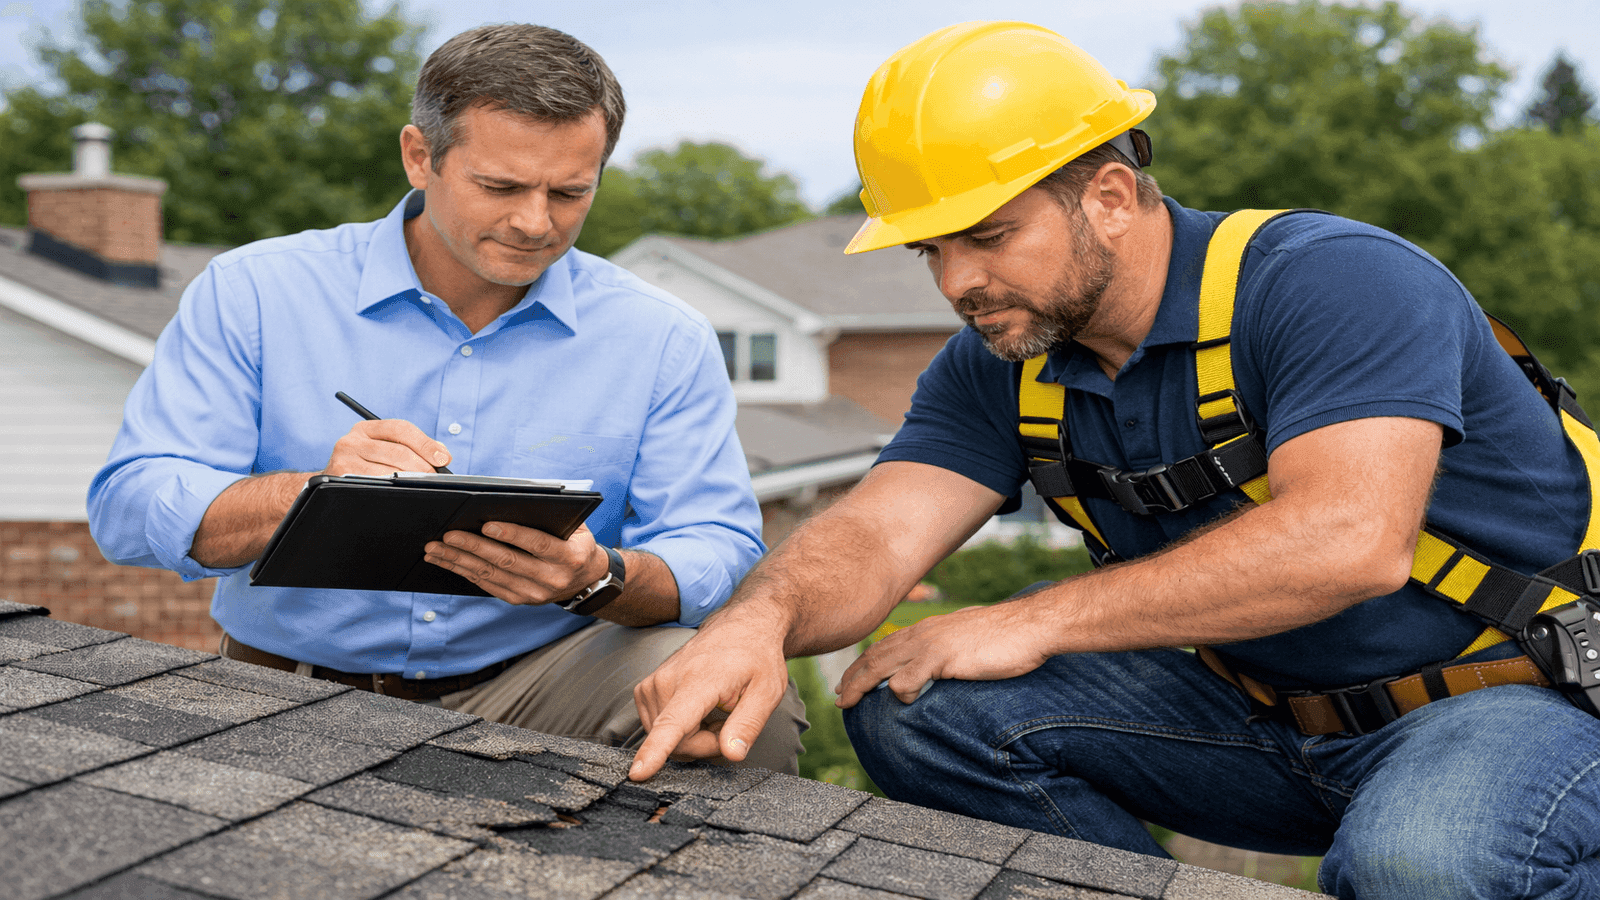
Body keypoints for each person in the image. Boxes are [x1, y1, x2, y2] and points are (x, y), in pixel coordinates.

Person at [630, 20, 1600, 896]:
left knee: (1419, 863)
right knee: (914, 705)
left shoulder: (1326, 281)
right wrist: (758, 621)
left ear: (1106, 196)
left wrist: (1039, 615)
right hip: (1265, 727)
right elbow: (878, 530)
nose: (958, 280)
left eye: (988, 235)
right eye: (930, 250)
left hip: (1520, 701)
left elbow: (1349, 542)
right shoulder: (999, 367)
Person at [87, 23, 806, 772]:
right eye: (500, 187)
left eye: (570, 192)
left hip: (541, 682)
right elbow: (130, 506)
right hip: (286, 688)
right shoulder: (255, 292)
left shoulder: (661, 337)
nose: (536, 222)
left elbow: (717, 544)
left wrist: (596, 577)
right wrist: (310, 497)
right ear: (419, 156)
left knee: (731, 697)